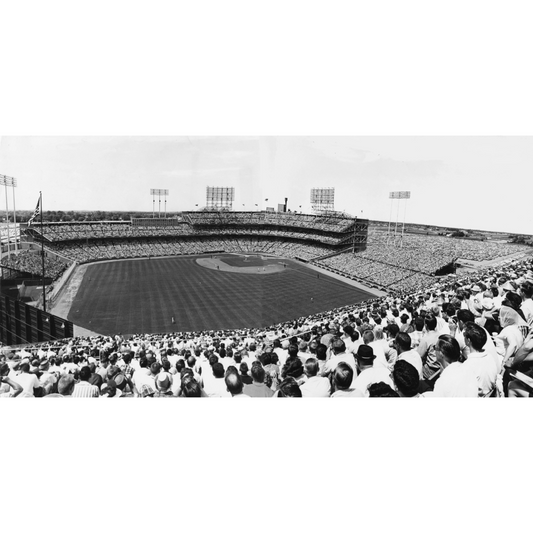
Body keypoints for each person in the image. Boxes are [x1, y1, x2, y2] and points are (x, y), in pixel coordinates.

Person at [462, 323, 499, 397]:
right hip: (490, 394)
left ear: (468, 340)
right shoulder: (489, 357)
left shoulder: (468, 365)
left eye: (464, 336)